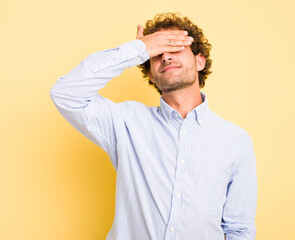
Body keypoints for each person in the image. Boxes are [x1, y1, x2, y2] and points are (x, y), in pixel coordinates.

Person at [50, 13, 257, 240]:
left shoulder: (236, 140)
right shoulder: (125, 123)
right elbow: (66, 93)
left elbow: (239, 230)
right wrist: (137, 50)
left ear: (200, 61)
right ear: (150, 74)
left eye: (174, 47)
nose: (166, 56)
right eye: (156, 53)